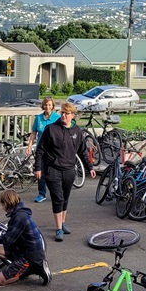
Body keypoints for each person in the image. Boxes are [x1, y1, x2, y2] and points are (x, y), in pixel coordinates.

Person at [33, 101, 95, 242]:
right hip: (52, 169)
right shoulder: (51, 129)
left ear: (73, 116)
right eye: (62, 113)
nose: (64, 115)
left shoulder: (77, 131)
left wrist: (90, 167)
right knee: (58, 198)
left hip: (69, 170)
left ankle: (63, 222)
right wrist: (37, 168)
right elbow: (40, 150)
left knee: (65, 198)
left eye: (67, 113)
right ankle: (59, 228)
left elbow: (83, 151)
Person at [0, 189, 51, 286]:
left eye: (2, 204)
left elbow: (7, 240)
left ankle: (34, 269)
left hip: (30, 257)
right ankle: (25, 269)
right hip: (23, 250)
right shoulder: (19, 214)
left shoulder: (20, 217)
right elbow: (9, 240)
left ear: (8, 203)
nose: (2, 207)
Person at [27, 97, 59, 203]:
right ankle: (41, 193)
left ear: (53, 106)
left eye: (49, 105)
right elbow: (33, 133)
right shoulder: (38, 118)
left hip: (53, 149)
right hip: (41, 149)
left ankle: (56, 192)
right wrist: (29, 145)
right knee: (40, 171)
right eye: (45, 105)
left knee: (53, 172)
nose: (47, 107)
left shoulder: (56, 118)